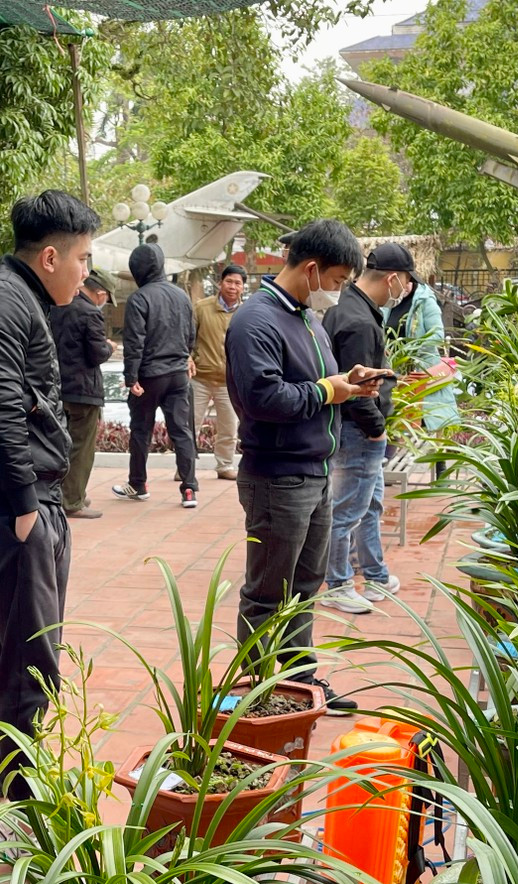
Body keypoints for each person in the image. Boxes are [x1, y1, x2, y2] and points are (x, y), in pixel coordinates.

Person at [0, 190, 96, 801]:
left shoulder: (15, 298)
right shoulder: (6, 301)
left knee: (20, 657)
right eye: (83, 259)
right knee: (34, 662)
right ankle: (22, 805)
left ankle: (10, 792)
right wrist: (28, 507)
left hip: (21, 504)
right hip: (12, 509)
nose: (87, 274)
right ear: (51, 256)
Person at [225, 219, 385, 714]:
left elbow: (318, 383)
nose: (339, 292)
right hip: (277, 475)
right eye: (337, 281)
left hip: (313, 471)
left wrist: (349, 383)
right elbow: (260, 397)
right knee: (268, 588)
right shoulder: (256, 320)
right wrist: (326, 390)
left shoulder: (307, 319)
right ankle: (250, 692)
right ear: (312, 269)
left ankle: (299, 682)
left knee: (304, 585)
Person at [320, 241, 406, 616]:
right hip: (359, 429)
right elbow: (357, 389)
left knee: (368, 505)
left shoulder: (350, 307)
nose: (404, 291)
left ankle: (374, 574)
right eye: (405, 283)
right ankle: (337, 584)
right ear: (393, 279)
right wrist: (376, 430)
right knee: (346, 510)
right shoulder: (358, 320)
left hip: (355, 428)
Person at [115, 242, 199, 507]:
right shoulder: (181, 295)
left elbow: (134, 342)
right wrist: (185, 356)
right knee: (182, 431)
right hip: (177, 374)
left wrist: (131, 378)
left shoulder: (140, 298)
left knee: (141, 430)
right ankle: (189, 489)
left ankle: (138, 484)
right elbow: (190, 335)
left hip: (150, 376)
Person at [53, 273, 113, 519]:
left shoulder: (57, 306)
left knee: (60, 445)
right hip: (84, 392)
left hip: (59, 388)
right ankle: (73, 500)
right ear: (101, 294)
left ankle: (66, 493)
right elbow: (97, 353)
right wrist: (110, 346)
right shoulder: (91, 313)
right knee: (81, 448)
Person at [191, 264, 244, 480]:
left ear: (243, 287)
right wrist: (189, 358)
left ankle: (225, 465)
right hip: (200, 377)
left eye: (237, 283)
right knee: (189, 425)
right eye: (229, 281)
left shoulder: (246, 312)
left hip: (229, 381)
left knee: (229, 427)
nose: (233, 287)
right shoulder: (201, 308)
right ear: (220, 283)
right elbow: (188, 337)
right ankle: (185, 467)